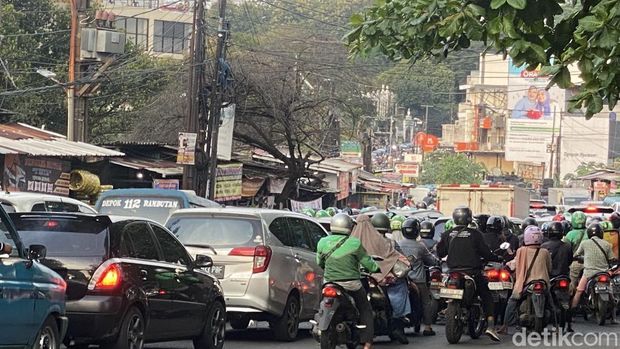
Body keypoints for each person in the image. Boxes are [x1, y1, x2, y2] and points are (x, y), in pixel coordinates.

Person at [316, 213, 380, 349]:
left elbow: (319, 262)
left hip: (329, 283)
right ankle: (367, 343)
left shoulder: (322, 242)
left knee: (320, 301)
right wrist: (376, 268)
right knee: (365, 308)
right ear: (349, 227)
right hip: (351, 284)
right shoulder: (355, 243)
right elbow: (368, 263)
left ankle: (317, 322)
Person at [439, 206, 503, 341]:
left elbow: (440, 253)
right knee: (487, 295)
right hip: (472, 272)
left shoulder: (447, 234)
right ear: (468, 218)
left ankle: (445, 308)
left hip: (453, 272)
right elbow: (485, 253)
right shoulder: (475, 234)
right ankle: (491, 326)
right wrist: (496, 258)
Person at [352, 214, 410, 344]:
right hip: (381, 278)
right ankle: (397, 322)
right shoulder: (384, 241)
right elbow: (397, 258)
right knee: (400, 288)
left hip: (358, 279)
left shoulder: (351, 241)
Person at [499, 226, 553, 334]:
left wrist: (507, 266)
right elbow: (549, 268)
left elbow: (514, 264)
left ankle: (505, 326)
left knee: (512, 301)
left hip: (525, 284)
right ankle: (557, 324)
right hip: (543, 283)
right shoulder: (545, 252)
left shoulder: (521, 251)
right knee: (551, 302)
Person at [399, 218, 440, 336]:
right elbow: (431, 260)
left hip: (402, 279)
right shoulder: (420, 246)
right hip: (418, 280)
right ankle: (427, 327)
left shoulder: (398, 244)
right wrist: (437, 262)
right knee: (426, 302)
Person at [571, 223, 618, 324]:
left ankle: (572, 314)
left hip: (588, 272)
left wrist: (581, 258)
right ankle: (614, 318)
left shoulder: (584, 243)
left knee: (579, 291)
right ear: (601, 233)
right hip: (604, 273)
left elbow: (576, 254)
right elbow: (612, 258)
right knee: (612, 293)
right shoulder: (607, 244)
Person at [541, 221, 574, 331]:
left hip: (550, 277)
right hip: (564, 276)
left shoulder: (544, 246)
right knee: (568, 299)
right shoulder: (567, 246)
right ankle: (569, 325)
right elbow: (570, 261)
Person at [563, 211, 588, 289]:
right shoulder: (589, 232)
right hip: (589, 262)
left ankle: (571, 298)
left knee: (571, 285)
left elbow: (565, 249)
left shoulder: (570, 234)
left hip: (575, 263)